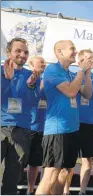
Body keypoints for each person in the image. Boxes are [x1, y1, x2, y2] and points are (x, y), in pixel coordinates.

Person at [35, 40, 93, 195]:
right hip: (57, 130)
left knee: (64, 173)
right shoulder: (52, 70)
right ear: (59, 52)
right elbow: (71, 92)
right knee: (51, 174)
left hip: (72, 130)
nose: (75, 52)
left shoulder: (71, 74)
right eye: (72, 49)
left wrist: (87, 74)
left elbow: (87, 94)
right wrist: (82, 70)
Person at [1, 38, 41, 194]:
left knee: (13, 174)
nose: (22, 55)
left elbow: (32, 102)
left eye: (25, 52)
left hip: (22, 130)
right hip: (1, 125)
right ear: (8, 52)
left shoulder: (32, 76)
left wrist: (31, 86)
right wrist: (7, 80)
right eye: (18, 51)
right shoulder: (1, 71)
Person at [63, 49, 93, 195]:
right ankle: (66, 191)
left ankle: (82, 191)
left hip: (90, 125)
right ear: (79, 61)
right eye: (87, 58)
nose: (90, 61)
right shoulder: (72, 77)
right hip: (72, 124)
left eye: (92, 58)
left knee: (87, 160)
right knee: (69, 161)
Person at [27, 56, 47, 195]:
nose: (43, 65)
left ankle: (38, 190)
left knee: (39, 163)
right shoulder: (26, 79)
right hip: (28, 127)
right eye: (40, 63)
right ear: (31, 64)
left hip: (45, 128)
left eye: (44, 63)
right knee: (20, 162)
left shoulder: (47, 81)